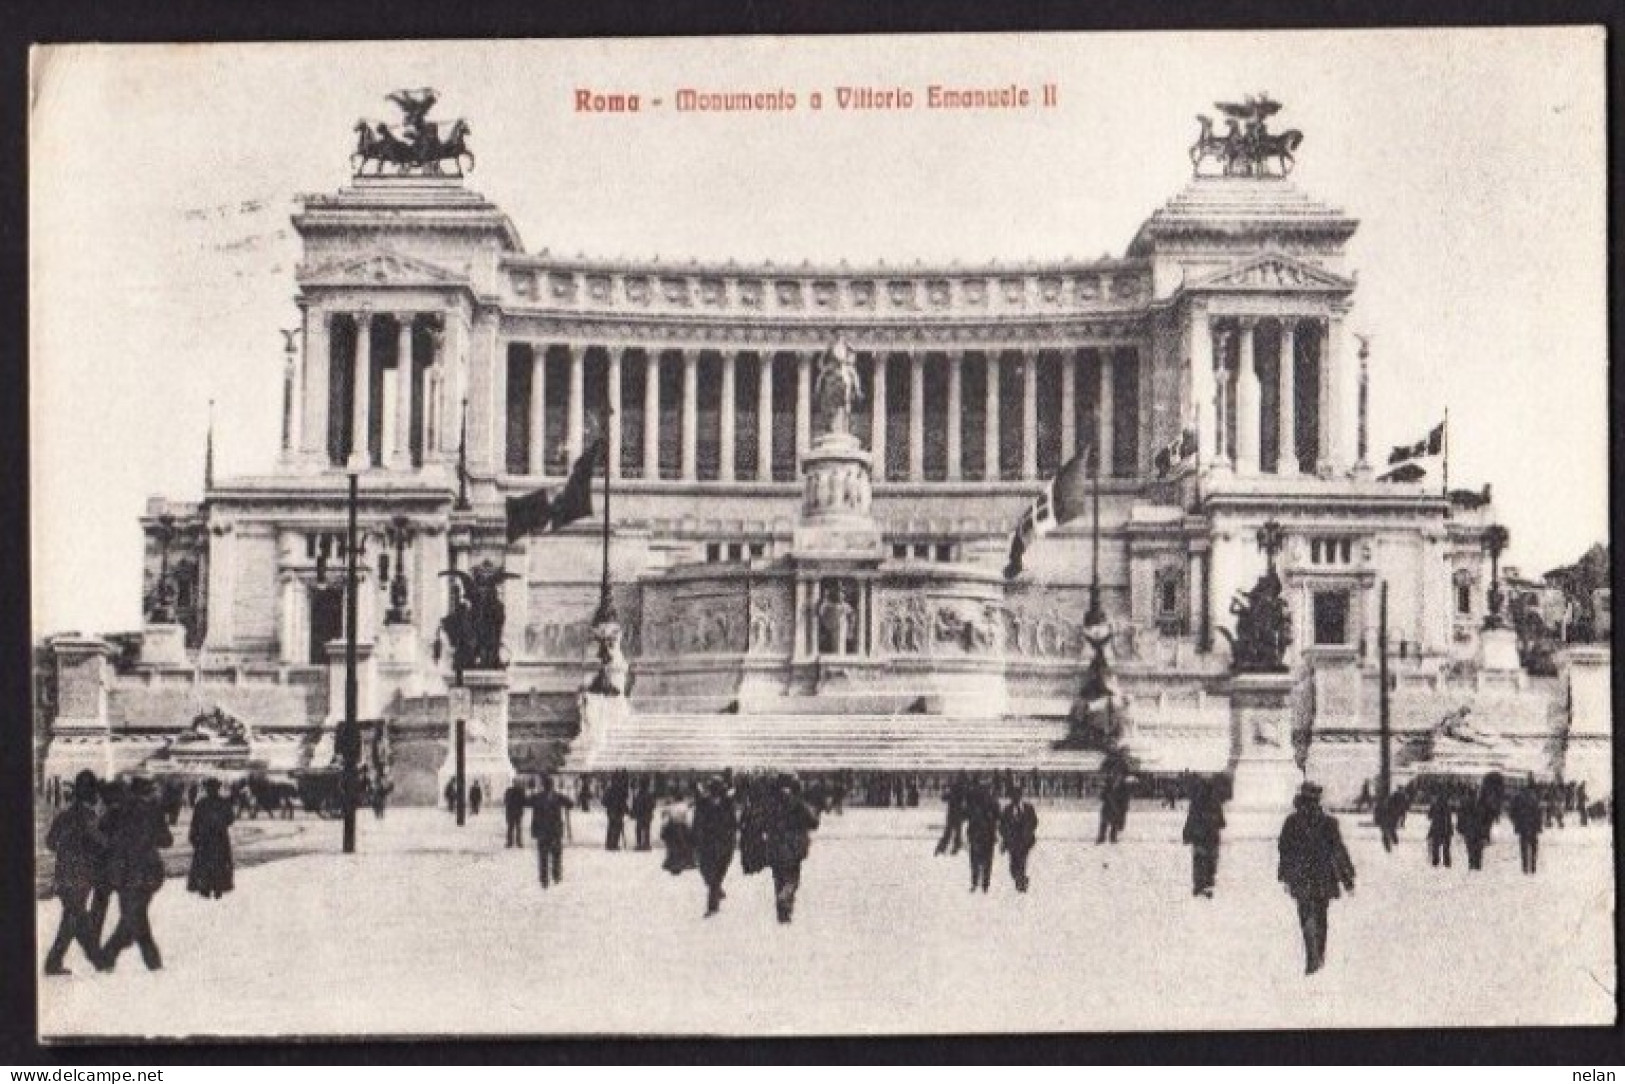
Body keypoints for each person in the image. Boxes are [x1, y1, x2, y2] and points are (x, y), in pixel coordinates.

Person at [1276, 781, 1356, 976]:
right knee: (1321, 917)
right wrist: (1347, 879)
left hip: (1301, 876)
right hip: (1323, 877)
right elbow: (1338, 852)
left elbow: (1284, 851)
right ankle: (1318, 955)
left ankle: (1313, 957)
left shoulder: (1292, 822)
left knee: (1306, 917)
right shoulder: (1328, 822)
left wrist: (1285, 876)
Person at [101, 777, 174, 972]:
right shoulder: (153, 812)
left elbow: (102, 834)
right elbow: (166, 841)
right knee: (135, 915)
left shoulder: (115, 812)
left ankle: (110, 956)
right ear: (147, 792)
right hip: (148, 871)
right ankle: (115, 956)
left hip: (123, 871)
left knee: (133, 914)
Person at [43, 771, 108, 975]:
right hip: (82, 876)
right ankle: (97, 959)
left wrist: (67, 847)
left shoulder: (63, 816)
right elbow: (101, 844)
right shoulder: (90, 818)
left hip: (64, 875)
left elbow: (51, 843)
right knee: (77, 918)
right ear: (90, 793)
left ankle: (55, 962)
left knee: (72, 918)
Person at [762, 775, 821, 924]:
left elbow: (762, 823)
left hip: (775, 846)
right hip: (793, 847)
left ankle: (782, 912)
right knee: (792, 879)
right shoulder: (798, 804)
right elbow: (813, 822)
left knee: (778, 878)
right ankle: (785, 898)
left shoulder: (771, 804)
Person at [692, 777, 738, 917]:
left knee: (715, 876)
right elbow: (697, 822)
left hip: (721, 844)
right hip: (710, 844)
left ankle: (713, 905)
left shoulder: (727, 803)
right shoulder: (704, 803)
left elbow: (733, 824)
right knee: (709, 873)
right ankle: (716, 890)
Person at [186, 778, 235, 900]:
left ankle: (205, 888)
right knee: (220, 863)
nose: (210, 790)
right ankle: (218, 887)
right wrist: (220, 824)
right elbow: (230, 819)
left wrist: (193, 836)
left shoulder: (201, 804)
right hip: (219, 838)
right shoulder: (223, 803)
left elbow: (195, 823)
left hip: (205, 838)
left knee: (205, 863)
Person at [1182, 777, 1226, 898]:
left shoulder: (1196, 802)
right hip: (1211, 837)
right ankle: (1206, 884)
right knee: (1210, 861)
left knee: (1199, 861)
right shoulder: (1215, 802)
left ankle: (1199, 885)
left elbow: (1190, 819)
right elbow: (1222, 822)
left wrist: (1187, 835)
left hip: (1199, 837)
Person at [529, 776, 574, 889]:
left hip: (544, 831)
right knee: (555, 855)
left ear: (543, 785)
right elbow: (570, 803)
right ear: (552, 785)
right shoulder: (557, 796)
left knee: (545, 856)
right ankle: (555, 876)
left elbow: (525, 802)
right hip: (553, 831)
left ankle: (546, 879)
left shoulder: (538, 797)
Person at [997, 784, 1039, 892]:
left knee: (1022, 863)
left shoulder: (1028, 808)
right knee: (1012, 867)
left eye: (1017, 795)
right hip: (1012, 842)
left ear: (1020, 796)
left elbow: (1034, 822)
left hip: (1025, 842)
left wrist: (1028, 832)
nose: (1015, 798)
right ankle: (1021, 879)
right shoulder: (1007, 810)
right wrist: (1005, 838)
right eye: (1013, 796)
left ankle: (1021, 884)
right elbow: (1001, 825)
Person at [964, 779, 1000, 894]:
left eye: (985, 789)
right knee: (980, 861)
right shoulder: (978, 803)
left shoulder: (991, 802)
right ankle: (980, 884)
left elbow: (998, 817)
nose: (983, 791)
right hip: (979, 835)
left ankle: (981, 884)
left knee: (982, 861)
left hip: (984, 835)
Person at [1508, 785, 1542, 875]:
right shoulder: (1534, 798)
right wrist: (1539, 826)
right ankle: (1533, 866)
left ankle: (1525, 867)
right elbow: (1538, 813)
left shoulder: (1517, 798)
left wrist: (1516, 823)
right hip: (1533, 826)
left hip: (1522, 826)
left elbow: (1511, 812)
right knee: (1533, 847)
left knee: (1524, 847)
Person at [935, 774, 966, 857]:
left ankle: (942, 847)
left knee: (948, 832)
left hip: (952, 814)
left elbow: (944, 798)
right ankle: (955, 846)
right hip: (958, 814)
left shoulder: (953, 791)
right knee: (957, 832)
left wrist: (945, 790)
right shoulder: (962, 791)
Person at [1457, 791, 1489, 871]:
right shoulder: (1481, 806)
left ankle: (1471, 864)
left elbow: (1460, 818)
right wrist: (1485, 833)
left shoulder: (1464, 805)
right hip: (1479, 831)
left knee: (1470, 848)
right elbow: (1485, 821)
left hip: (1469, 830)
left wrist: (1460, 829)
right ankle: (1477, 865)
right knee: (1478, 849)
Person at [1097, 772, 1129, 845]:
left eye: (1120, 776)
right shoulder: (1108, 784)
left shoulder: (1124, 786)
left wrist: (1124, 806)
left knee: (1115, 823)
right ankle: (1101, 838)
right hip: (1108, 806)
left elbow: (1126, 797)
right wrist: (1105, 796)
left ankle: (1112, 838)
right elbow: (1101, 796)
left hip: (1117, 806)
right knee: (1104, 823)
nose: (1118, 777)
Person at [1426, 792, 1454, 868]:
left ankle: (1435, 861)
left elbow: (1429, 816)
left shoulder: (1434, 805)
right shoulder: (1447, 806)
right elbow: (1449, 818)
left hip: (1436, 828)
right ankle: (1447, 862)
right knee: (1446, 848)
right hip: (1446, 829)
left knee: (1435, 846)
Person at [603, 774, 630, 851]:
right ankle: (614, 844)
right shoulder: (621, 790)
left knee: (611, 826)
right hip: (618, 811)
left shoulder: (609, 790)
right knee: (617, 827)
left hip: (611, 811)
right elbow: (623, 802)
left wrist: (609, 805)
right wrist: (627, 811)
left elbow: (604, 801)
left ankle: (609, 844)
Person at [631, 778, 657, 852]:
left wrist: (633, 813)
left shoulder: (638, 795)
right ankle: (646, 844)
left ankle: (639, 844)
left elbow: (635, 805)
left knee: (639, 829)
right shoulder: (649, 794)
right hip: (647, 814)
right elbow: (653, 805)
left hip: (640, 815)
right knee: (646, 829)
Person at [503, 778, 528, 848]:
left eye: (517, 783)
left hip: (514, 812)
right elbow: (524, 801)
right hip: (514, 812)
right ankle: (513, 842)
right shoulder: (518, 791)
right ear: (514, 783)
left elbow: (505, 801)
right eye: (516, 783)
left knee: (516, 827)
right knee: (513, 827)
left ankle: (515, 842)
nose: (517, 784)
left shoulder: (510, 791)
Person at [1374, 788, 1400, 853]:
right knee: (1387, 832)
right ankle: (1391, 844)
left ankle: (1393, 842)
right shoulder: (1381, 803)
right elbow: (1377, 812)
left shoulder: (1382, 803)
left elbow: (1377, 812)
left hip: (1387, 819)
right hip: (1386, 820)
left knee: (1389, 831)